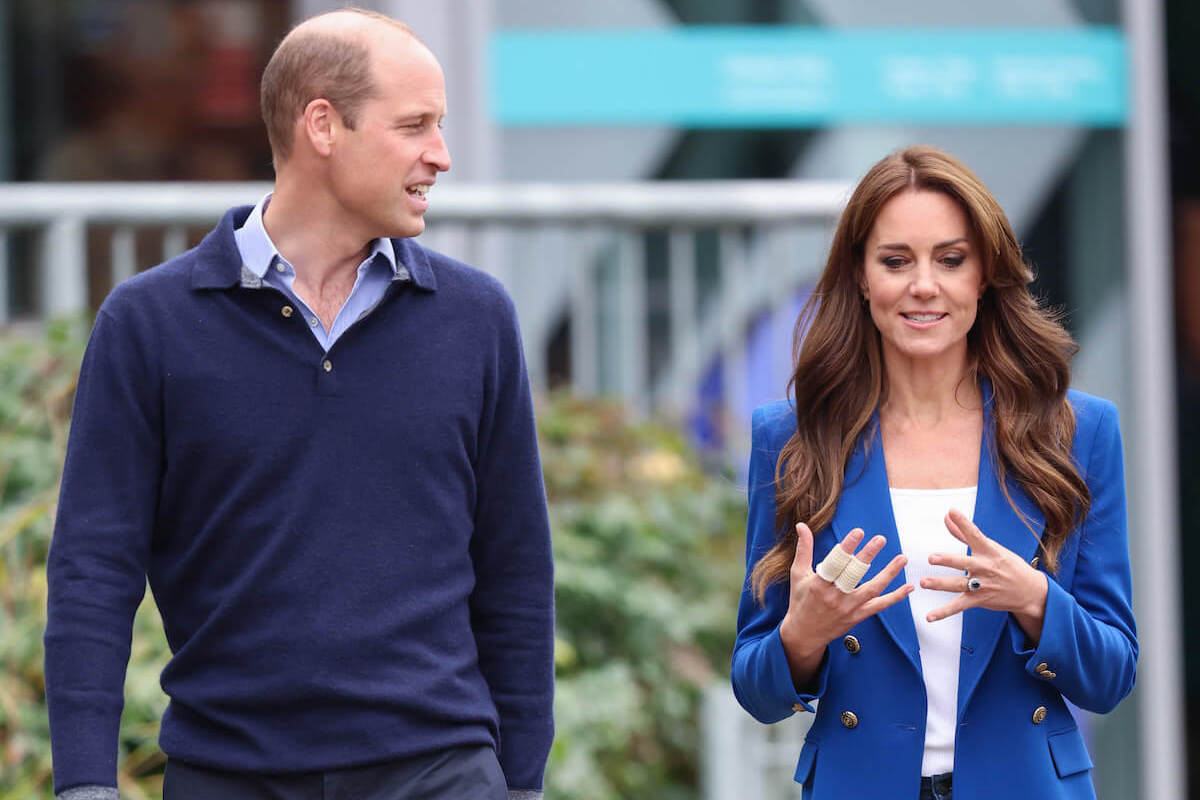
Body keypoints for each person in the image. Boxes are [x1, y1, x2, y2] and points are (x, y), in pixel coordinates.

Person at [43, 9, 554, 800]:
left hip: (441, 773)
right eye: (414, 125)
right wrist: (83, 782)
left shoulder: (477, 319)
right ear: (323, 125)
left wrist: (520, 783)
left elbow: (515, 570)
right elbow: (93, 569)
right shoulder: (148, 324)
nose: (441, 156)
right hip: (227, 775)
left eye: (442, 126)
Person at [731, 146, 1136, 800]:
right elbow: (756, 688)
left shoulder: (1075, 433)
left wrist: (1032, 598)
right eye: (896, 261)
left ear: (984, 275)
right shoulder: (792, 437)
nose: (924, 285)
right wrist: (801, 635)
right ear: (861, 277)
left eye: (951, 260)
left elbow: (1112, 675)